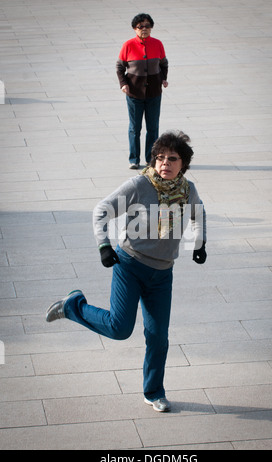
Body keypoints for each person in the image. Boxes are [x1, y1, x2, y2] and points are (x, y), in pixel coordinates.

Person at [46, 131, 207, 413]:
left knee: (158, 337)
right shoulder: (139, 185)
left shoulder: (187, 190)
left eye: (172, 158)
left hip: (162, 275)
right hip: (130, 265)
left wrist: (200, 243)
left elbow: (199, 213)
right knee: (120, 329)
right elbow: (102, 209)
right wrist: (103, 246)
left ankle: (154, 391)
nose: (164, 163)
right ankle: (74, 306)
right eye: (160, 158)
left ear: (184, 163)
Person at [116, 13, 169, 169]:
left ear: (151, 28)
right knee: (135, 127)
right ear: (135, 29)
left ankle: (150, 159)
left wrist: (163, 78)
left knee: (153, 127)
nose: (144, 29)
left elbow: (164, 64)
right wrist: (123, 84)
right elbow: (120, 67)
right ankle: (134, 159)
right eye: (140, 27)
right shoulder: (128, 45)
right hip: (134, 93)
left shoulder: (158, 44)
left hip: (154, 93)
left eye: (147, 26)